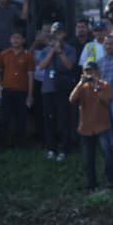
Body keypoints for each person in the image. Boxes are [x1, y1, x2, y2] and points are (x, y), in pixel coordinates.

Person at [69, 61, 113, 190]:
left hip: (102, 127)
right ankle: (91, 185)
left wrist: (96, 87)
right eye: (87, 72)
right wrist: (80, 83)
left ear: (98, 72)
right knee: (88, 159)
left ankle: (112, 181)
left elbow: (107, 100)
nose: (90, 74)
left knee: (108, 155)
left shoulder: (104, 85)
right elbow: (71, 99)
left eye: (92, 71)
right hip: (86, 128)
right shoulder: (81, 87)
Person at [35, 22, 77, 159]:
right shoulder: (45, 50)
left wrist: (59, 51)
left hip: (63, 89)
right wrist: (52, 50)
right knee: (49, 120)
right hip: (48, 89)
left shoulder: (69, 49)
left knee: (63, 120)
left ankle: (64, 149)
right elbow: (41, 66)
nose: (56, 35)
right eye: (54, 33)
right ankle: (51, 149)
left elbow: (69, 66)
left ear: (64, 34)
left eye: (59, 33)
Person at [0, 31, 34, 148]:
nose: (16, 40)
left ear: (23, 40)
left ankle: (20, 146)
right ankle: (1, 145)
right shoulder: (3, 54)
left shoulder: (27, 56)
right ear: (10, 40)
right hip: (7, 91)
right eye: (13, 38)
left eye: (18, 38)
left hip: (22, 91)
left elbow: (31, 76)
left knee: (21, 119)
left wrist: (30, 95)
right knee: (3, 118)